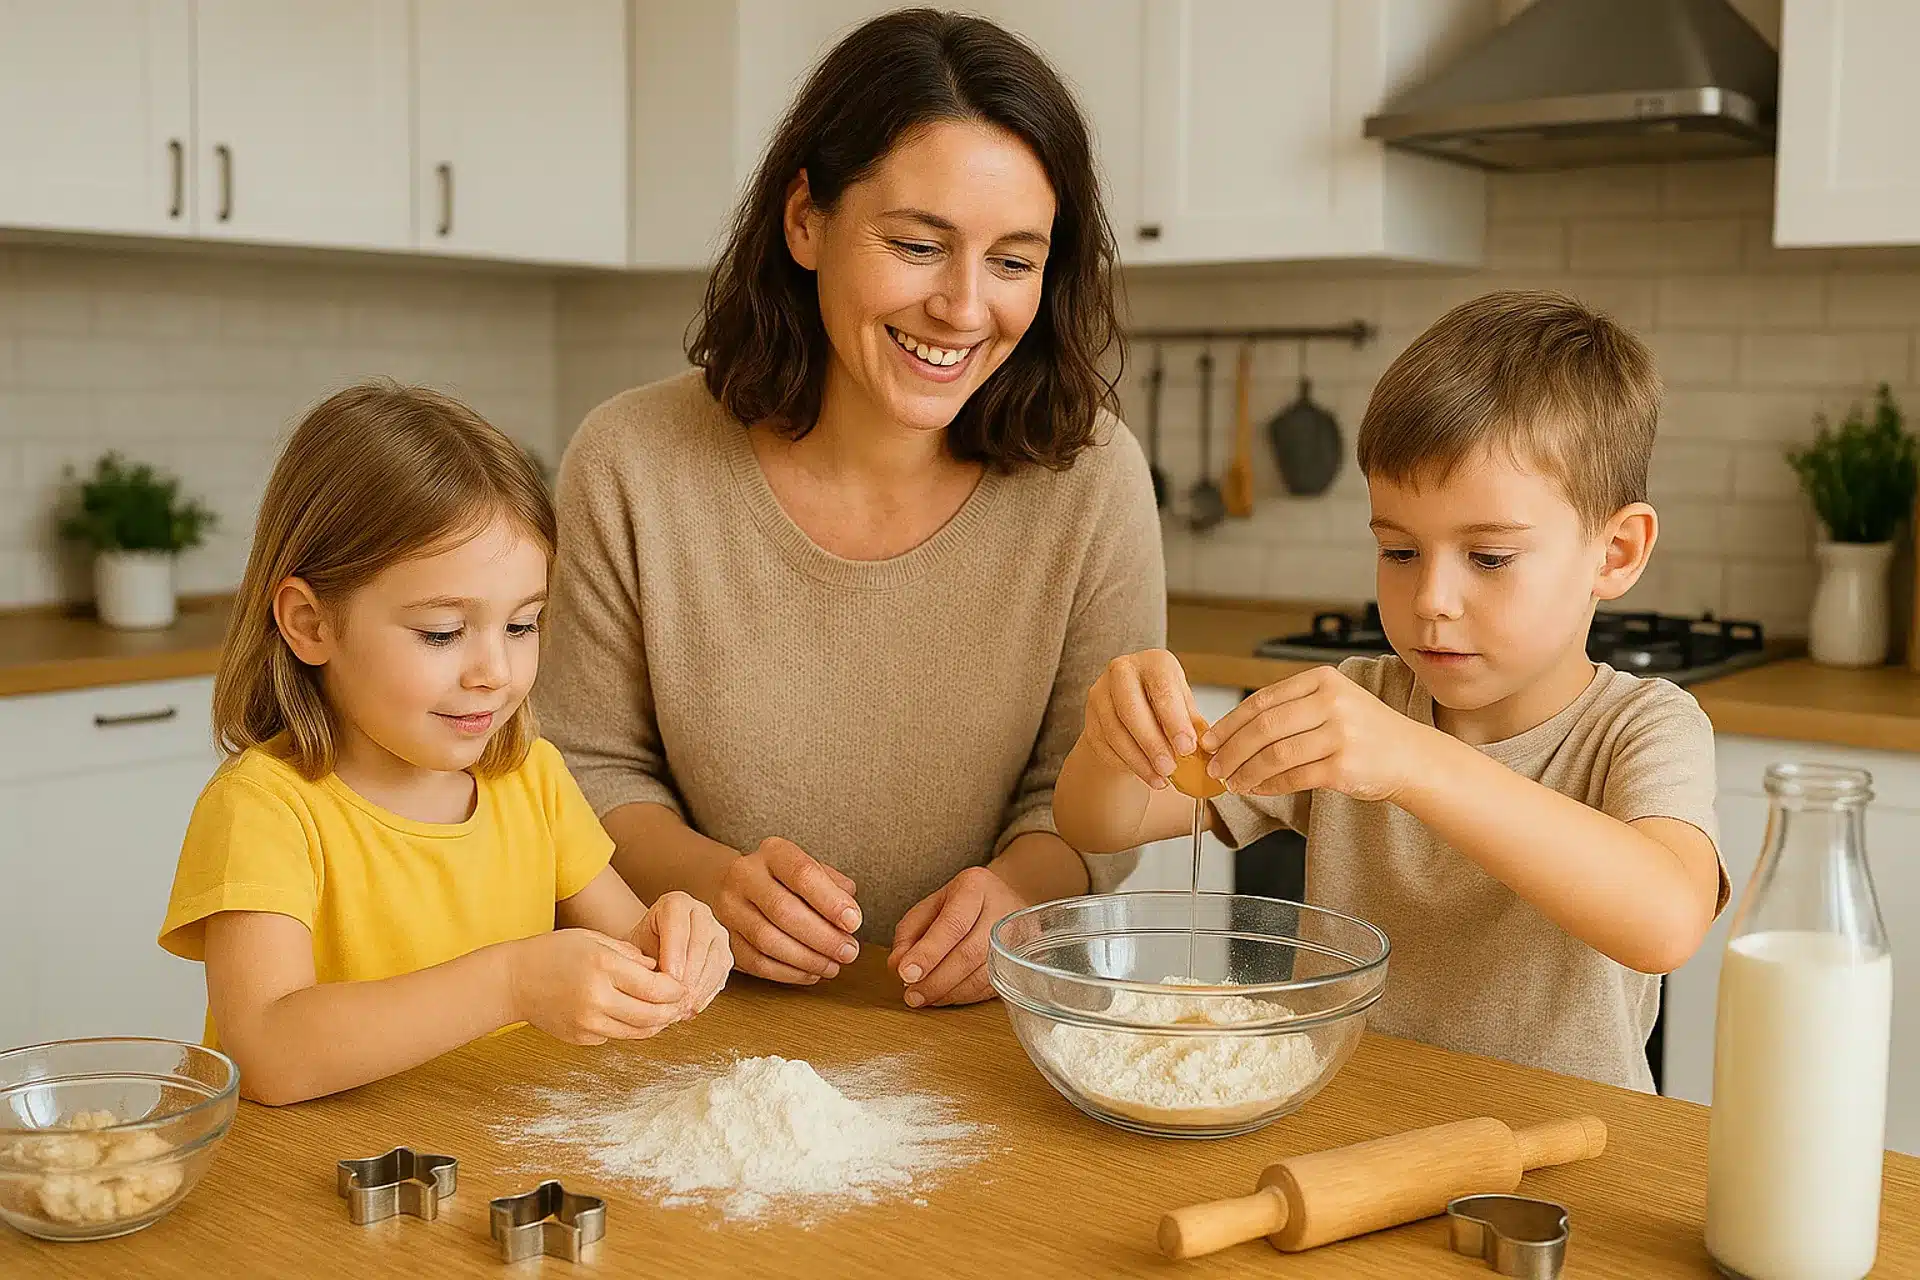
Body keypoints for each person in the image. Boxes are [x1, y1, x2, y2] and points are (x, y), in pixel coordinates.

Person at [539, 9, 1162, 1009]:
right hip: (691, 1026)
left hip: (992, 1038)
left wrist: (1014, 900)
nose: (964, 308)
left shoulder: (1092, 479)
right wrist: (712, 884)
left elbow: (1088, 793)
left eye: (1012, 261)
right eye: (919, 244)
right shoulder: (632, 461)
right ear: (805, 221)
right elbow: (582, 767)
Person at [1054, 291, 1726, 1091]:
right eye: (1400, 552)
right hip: (1353, 1140)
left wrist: (1416, 762)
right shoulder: (1358, 699)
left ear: (1615, 553)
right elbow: (1100, 825)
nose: (1432, 598)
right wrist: (1115, 741)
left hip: (1560, 1166)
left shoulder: (1640, 727)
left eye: (1489, 558)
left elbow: (1665, 921)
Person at [158, 383, 731, 1105]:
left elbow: (633, 950)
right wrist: (513, 983)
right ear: (310, 624)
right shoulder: (265, 810)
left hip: (474, 1158)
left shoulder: (533, 781)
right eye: (442, 632)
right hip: (305, 1190)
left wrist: (682, 938)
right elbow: (267, 1052)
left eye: (522, 626)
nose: (494, 672)